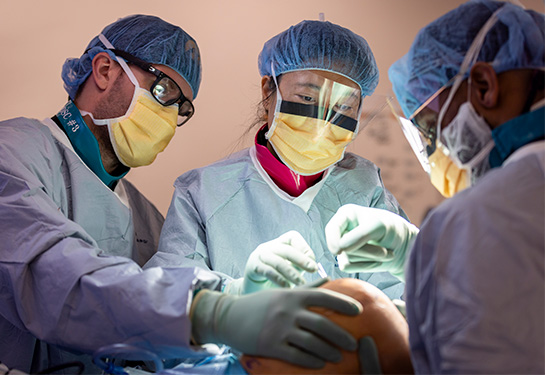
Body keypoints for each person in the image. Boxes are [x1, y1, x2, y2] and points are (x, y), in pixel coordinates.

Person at [0, 15, 365, 374]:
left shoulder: (146, 218)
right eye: (163, 91)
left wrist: (234, 296)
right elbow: (46, 272)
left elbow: (143, 340)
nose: (171, 115)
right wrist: (213, 311)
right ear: (104, 69)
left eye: (182, 107)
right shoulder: (13, 151)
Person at [325, 0, 545, 373]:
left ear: (484, 85)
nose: (434, 157)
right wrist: (416, 256)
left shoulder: (480, 218)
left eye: (429, 129)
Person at [149, 20, 408, 300]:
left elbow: (402, 302)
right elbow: (174, 297)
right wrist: (234, 303)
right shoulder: (203, 193)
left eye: (343, 107)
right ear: (267, 93)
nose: (322, 123)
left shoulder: (367, 190)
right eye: (307, 97)